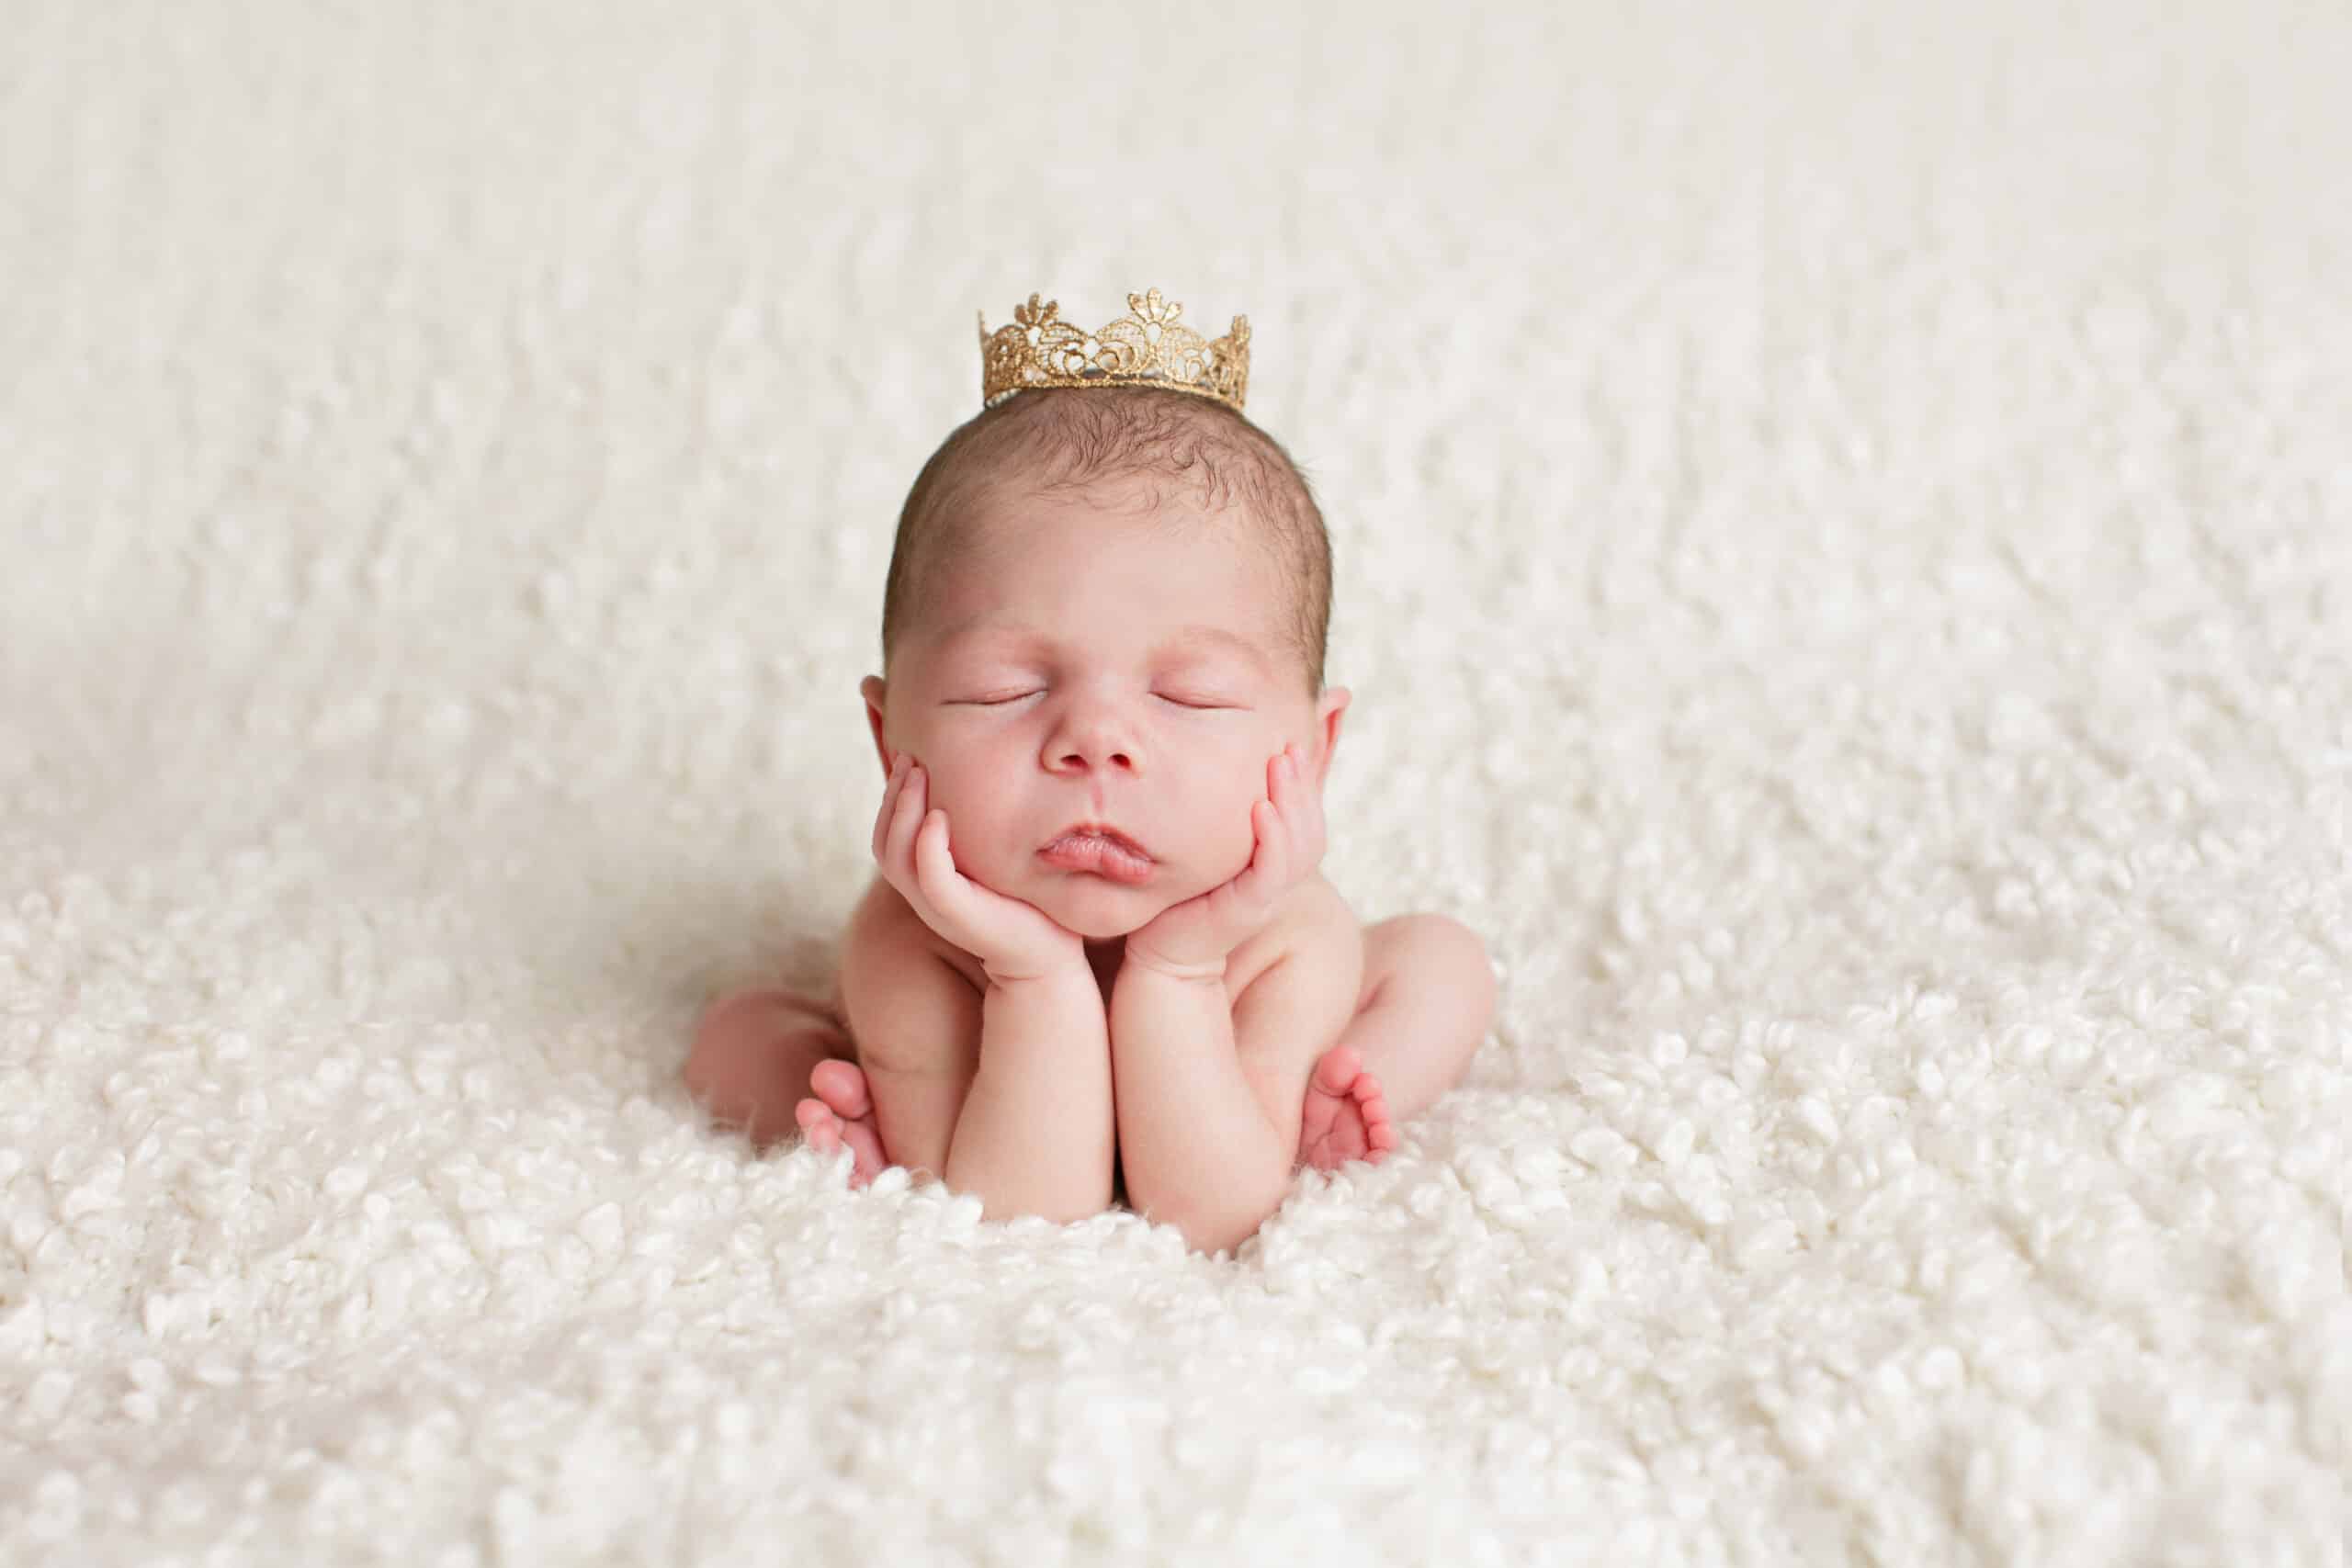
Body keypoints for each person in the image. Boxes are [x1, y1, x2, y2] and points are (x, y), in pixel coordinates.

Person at [684, 289, 1496, 1253]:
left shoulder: (1284, 936)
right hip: (987, 1069)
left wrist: (1181, 967)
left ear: (1314, 753)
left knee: (1444, 963)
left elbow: (1215, 1213)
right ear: (889, 739)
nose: (1095, 744)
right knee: (743, 1036)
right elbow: (1027, 1217)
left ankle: (1326, 1109)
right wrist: (1029, 975)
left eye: (1189, 695)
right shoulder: (914, 948)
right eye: (1001, 689)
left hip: (1243, 999)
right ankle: (881, 1127)